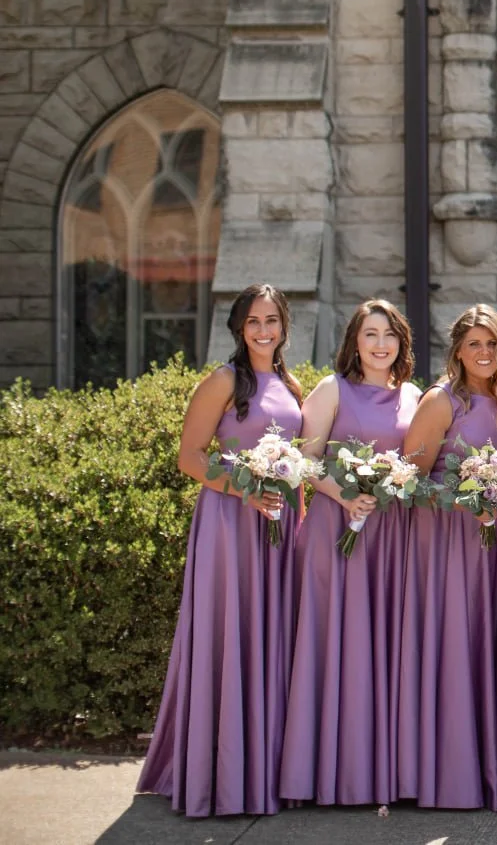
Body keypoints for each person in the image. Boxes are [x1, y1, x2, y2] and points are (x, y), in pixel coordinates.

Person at [137, 284, 307, 817]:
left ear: (284, 326)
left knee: (271, 635)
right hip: (230, 524)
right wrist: (245, 490)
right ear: (239, 327)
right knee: (230, 633)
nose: (263, 331)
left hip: (278, 528)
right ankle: (220, 776)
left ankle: (267, 770)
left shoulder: (291, 383)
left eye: (272, 321)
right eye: (253, 322)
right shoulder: (222, 381)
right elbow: (189, 457)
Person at [280, 299, 421, 806]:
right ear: (354, 342)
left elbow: (419, 461)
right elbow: (301, 459)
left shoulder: (413, 396)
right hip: (335, 530)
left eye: (390, 335)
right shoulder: (331, 390)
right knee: (335, 639)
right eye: (370, 335)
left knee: (382, 643)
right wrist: (344, 494)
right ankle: (324, 772)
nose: (381, 344)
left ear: (402, 342)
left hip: (392, 537)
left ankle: (381, 768)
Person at [397, 304, 497, 809]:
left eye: (492, 344)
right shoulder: (442, 401)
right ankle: (450, 771)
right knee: (456, 645)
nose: (484, 353)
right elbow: (408, 478)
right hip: (450, 541)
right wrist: (462, 498)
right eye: (474, 345)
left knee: (494, 643)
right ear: (457, 351)